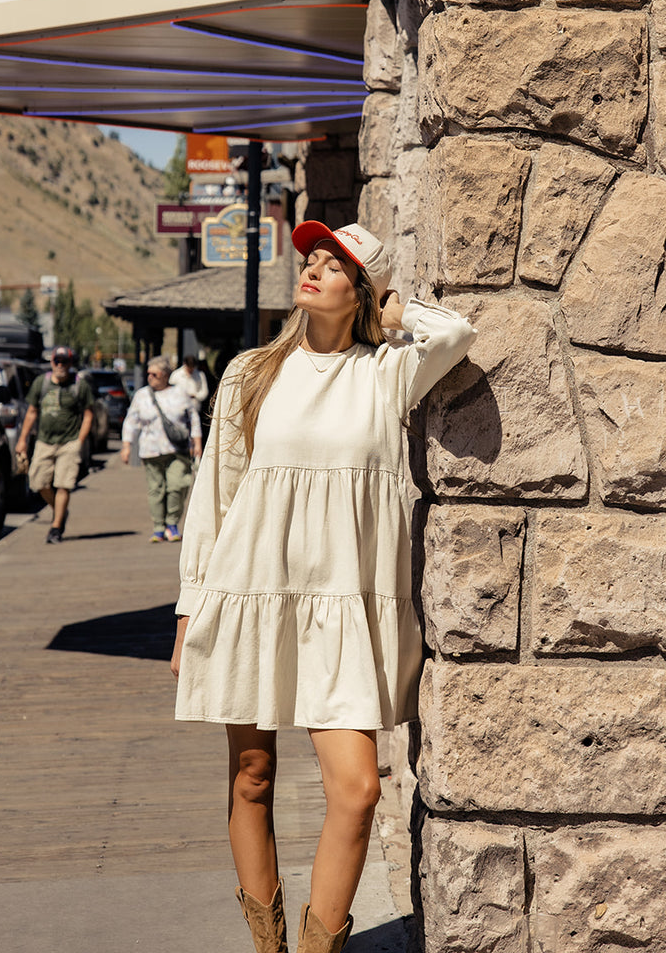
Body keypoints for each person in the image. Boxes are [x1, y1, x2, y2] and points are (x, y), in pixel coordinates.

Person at [170, 222, 477, 953]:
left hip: (344, 602)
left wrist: (396, 310)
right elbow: (215, 498)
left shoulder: (384, 373)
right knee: (252, 774)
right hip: (253, 589)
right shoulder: (251, 373)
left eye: (335, 266)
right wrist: (189, 612)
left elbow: (456, 333)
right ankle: (266, 944)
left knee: (359, 788)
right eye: (309, 259)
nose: (312, 270)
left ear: (361, 292)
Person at [16, 346, 94, 544]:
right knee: (38, 483)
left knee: (63, 485)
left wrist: (80, 441)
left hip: (69, 442)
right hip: (45, 441)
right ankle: (60, 511)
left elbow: (88, 414)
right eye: (57, 361)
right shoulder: (41, 383)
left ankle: (56, 527)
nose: (60, 365)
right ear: (52, 363)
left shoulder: (79, 385)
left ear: (70, 364)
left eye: (64, 362)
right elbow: (32, 411)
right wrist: (22, 440)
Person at [121, 356, 202, 543]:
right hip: (151, 451)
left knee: (177, 486)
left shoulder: (180, 393)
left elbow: (193, 418)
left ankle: (172, 523)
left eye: (154, 374)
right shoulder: (142, 395)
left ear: (165, 375)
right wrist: (126, 446)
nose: (150, 377)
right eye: (148, 374)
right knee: (156, 490)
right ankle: (158, 527)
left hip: (177, 451)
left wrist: (197, 443)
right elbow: (131, 421)